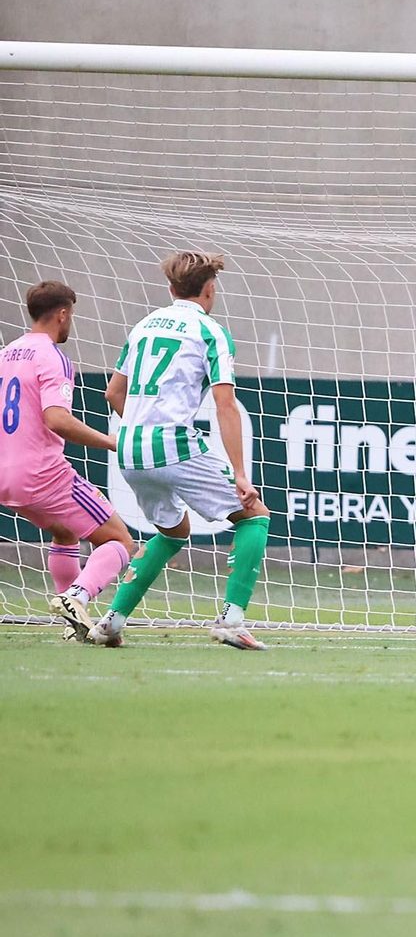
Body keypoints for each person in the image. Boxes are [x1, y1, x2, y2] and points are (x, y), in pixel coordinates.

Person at [88, 252, 272, 650]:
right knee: (254, 515)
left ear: (171, 289)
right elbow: (225, 404)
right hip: (171, 443)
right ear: (210, 289)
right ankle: (231, 620)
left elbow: (112, 393)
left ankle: (111, 623)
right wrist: (241, 474)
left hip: (131, 451)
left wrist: (139, 426)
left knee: (173, 532)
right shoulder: (210, 331)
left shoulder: (143, 326)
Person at [0, 280, 133, 638]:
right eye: (71, 315)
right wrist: (109, 442)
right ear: (62, 314)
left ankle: (74, 621)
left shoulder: (7, 352)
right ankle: (77, 594)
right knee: (120, 541)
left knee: (65, 533)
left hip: (5, 477)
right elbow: (56, 419)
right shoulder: (52, 356)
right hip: (42, 474)